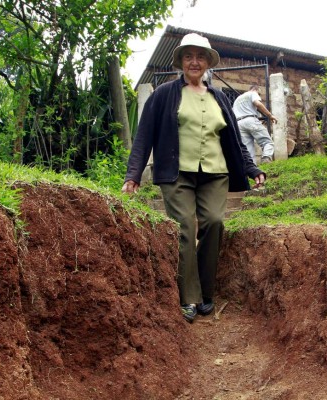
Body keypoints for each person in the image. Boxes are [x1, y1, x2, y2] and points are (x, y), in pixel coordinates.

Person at [122, 33, 266, 323]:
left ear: (208, 63)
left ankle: (205, 289)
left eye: (200, 57)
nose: (194, 62)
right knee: (185, 227)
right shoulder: (165, 94)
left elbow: (235, 140)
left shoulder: (220, 97)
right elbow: (144, 136)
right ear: (181, 62)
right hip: (176, 175)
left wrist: (252, 168)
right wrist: (133, 175)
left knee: (213, 222)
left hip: (215, 173)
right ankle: (189, 297)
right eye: (189, 56)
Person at [232, 84, 277, 164]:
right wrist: (270, 115)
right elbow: (258, 104)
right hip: (250, 120)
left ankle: (251, 168)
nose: (259, 96)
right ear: (257, 90)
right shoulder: (253, 93)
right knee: (267, 142)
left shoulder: (238, 99)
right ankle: (266, 158)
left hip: (238, 123)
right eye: (259, 94)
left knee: (247, 149)